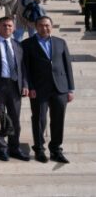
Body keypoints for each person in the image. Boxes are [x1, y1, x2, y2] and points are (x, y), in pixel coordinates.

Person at [23, 16, 75, 164]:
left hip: (60, 88)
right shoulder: (27, 44)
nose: (44, 28)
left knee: (58, 119)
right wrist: (30, 86)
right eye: (41, 25)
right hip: (39, 89)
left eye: (47, 25)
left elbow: (67, 66)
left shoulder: (60, 42)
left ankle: (56, 149)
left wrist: (70, 88)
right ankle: (39, 149)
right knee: (39, 119)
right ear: (35, 26)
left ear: (51, 26)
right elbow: (26, 68)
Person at [0, 17, 30, 161]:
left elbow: (23, 67)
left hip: (14, 86)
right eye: (4, 25)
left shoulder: (18, 45)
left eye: (10, 26)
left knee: (15, 119)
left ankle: (14, 147)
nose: (7, 28)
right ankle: (1, 148)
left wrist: (25, 84)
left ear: (14, 28)